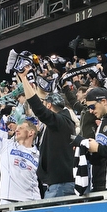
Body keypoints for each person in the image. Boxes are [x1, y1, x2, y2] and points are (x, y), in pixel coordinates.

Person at [18, 69, 77, 198]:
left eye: (44, 104)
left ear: (49, 106)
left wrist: (24, 79)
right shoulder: (63, 122)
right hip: (59, 184)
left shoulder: (59, 121)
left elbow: (38, 108)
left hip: (60, 186)